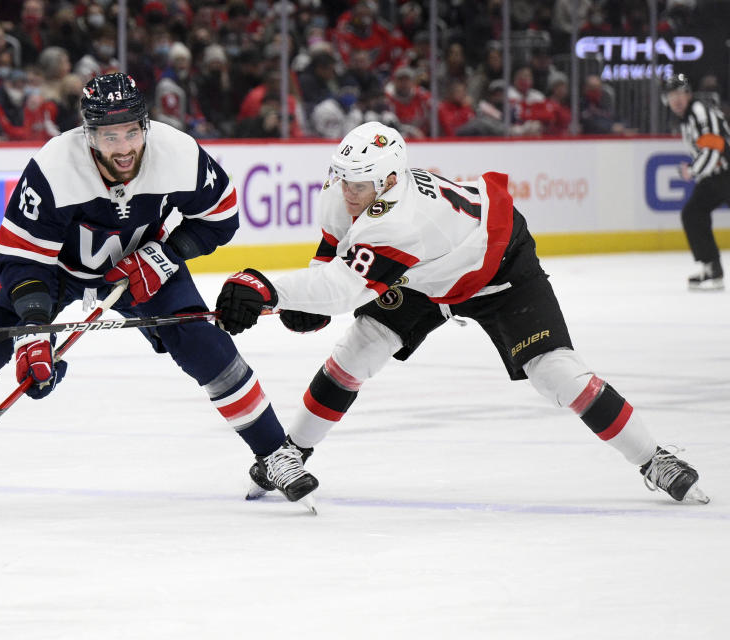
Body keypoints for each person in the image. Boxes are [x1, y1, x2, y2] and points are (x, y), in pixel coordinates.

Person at [214, 121, 709, 506]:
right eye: (343, 178)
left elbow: (344, 288)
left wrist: (269, 289)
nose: (347, 191)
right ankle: (292, 453)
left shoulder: (401, 221)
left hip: (497, 266)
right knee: (358, 350)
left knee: (556, 372)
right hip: (427, 274)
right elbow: (332, 252)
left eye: (359, 183)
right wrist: (304, 296)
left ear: (389, 180)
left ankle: (652, 458)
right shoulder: (352, 191)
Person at [0, 73, 318, 507]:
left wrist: (166, 255)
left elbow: (221, 217)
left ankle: (274, 453)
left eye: (131, 131)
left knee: (203, 341)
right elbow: (23, 258)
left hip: (143, 262)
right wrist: (36, 328)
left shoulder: (178, 154)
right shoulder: (54, 167)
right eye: (109, 136)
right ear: (88, 134)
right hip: (54, 269)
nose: (124, 147)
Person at [662, 73, 729, 291]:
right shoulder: (687, 118)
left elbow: (715, 146)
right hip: (716, 176)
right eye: (672, 95)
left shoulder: (699, 111)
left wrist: (693, 171)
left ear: (689, 94)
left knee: (694, 213)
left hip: (724, 174)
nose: (677, 99)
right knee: (693, 214)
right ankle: (712, 268)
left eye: (680, 93)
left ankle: (713, 269)